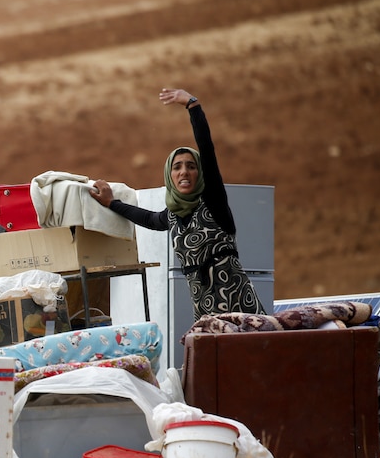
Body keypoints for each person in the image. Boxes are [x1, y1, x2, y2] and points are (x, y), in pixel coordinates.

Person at [88, 88, 266, 321]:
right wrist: (112, 203)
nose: (184, 172)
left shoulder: (213, 202)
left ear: (199, 173)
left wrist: (193, 106)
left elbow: (208, 151)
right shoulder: (172, 216)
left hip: (242, 313)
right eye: (177, 166)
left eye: (191, 166)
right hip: (206, 316)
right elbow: (148, 219)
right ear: (169, 175)